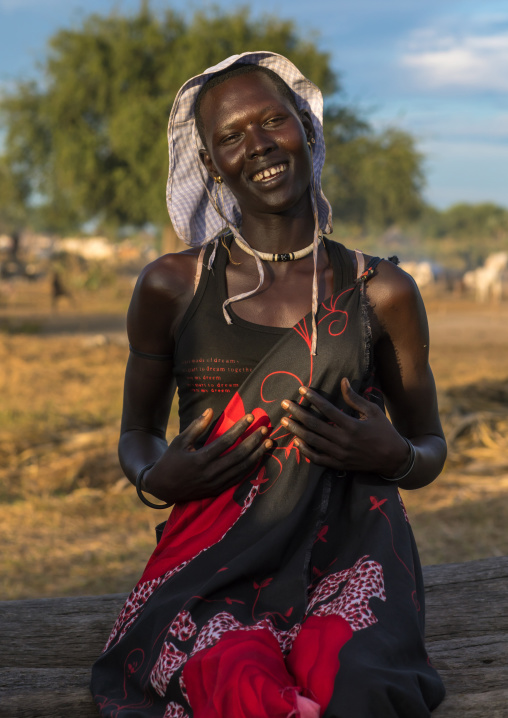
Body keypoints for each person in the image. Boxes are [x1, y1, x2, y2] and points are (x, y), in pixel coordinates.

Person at [91, 51, 446, 718]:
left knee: (361, 688)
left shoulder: (383, 292)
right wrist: (156, 477)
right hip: (212, 572)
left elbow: (429, 446)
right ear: (211, 163)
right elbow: (137, 433)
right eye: (230, 135)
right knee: (235, 686)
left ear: (308, 131)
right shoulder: (172, 285)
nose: (257, 145)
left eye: (273, 121)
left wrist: (394, 456)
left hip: (356, 566)